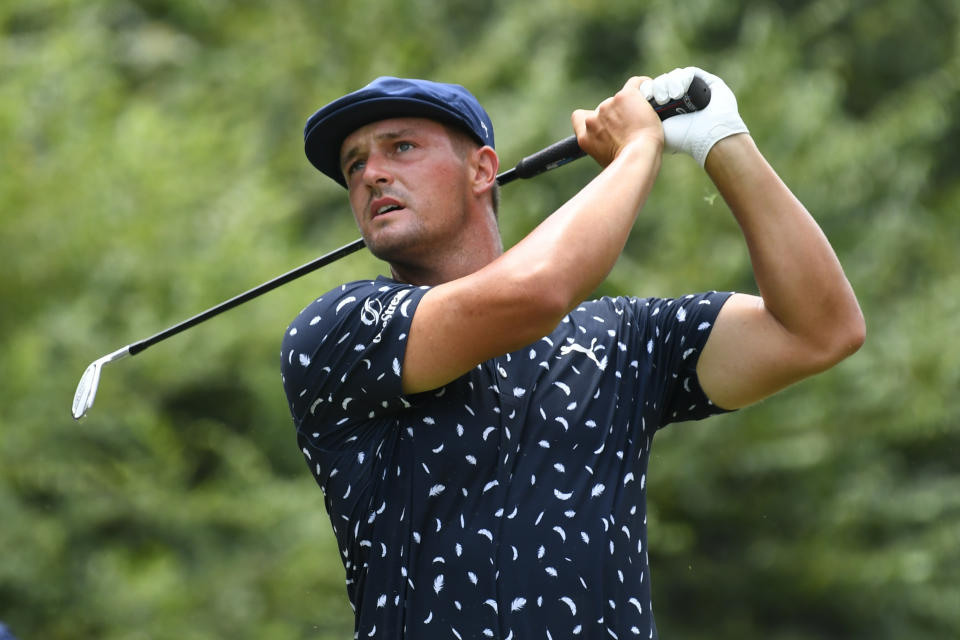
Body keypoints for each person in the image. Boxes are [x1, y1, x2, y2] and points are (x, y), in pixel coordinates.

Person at [281, 68, 865, 639]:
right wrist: (640, 147)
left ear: (483, 169)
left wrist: (721, 140)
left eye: (400, 147)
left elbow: (819, 330)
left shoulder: (623, 337)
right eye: (355, 164)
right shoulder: (338, 332)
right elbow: (532, 293)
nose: (372, 174)